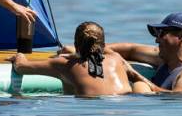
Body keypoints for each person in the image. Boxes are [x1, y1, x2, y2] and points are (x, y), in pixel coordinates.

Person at [10, 21, 139, 97]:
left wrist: (19, 55)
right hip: (124, 106)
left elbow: (21, 67)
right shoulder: (116, 59)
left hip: (87, 111)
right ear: (104, 46)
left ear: (76, 45)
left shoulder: (64, 64)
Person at [106, 12, 182, 93]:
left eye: (161, 33)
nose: (157, 40)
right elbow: (130, 50)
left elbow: (180, 101)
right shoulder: (163, 58)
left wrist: (136, 77)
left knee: (140, 86)